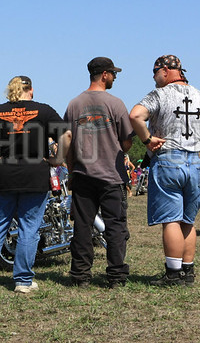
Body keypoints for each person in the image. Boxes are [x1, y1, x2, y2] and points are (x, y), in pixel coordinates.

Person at [0, 76, 70, 293]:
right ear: (31, 90)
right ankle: (23, 281)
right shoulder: (43, 111)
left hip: (6, 174)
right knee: (29, 228)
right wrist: (58, 159)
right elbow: (67, 134)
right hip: (35, 173)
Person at [130, 55, 200, 286]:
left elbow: (135, 115)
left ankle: (172, 274)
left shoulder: (159, 94)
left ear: (166, 70)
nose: (154, 77)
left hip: (169, 160)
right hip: (197, 162)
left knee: (171, 220)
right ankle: (188, 273)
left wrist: (147, 139)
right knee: (188, 221)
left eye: (155, 72)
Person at [64, 56, 133, 289]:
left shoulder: (74, 104)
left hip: (83, 175)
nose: (114, 77)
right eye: (114, 73)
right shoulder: (115, 104)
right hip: (112, 175)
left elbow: (68, 143)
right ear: (104, 75)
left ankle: (80, 276)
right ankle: (116, 276)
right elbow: (126, 142)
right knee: (115, 226)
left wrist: (72, 171)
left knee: (82, 226)